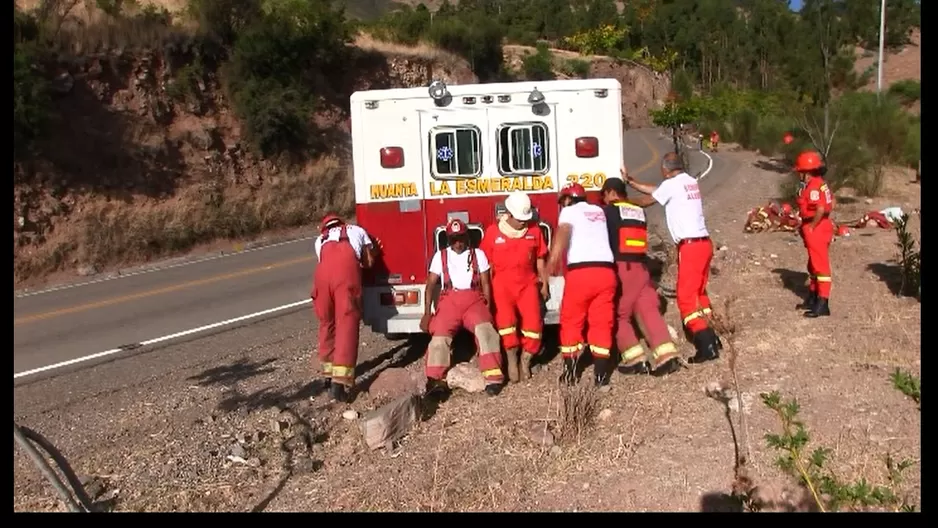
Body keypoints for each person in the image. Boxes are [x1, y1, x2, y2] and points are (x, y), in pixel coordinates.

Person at [624, 153, 721, 364]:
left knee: (686, 298)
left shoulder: (672, 185)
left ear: (666, 170)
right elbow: (657, 190)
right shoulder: (688, 181)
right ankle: (713, 335)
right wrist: (632, 182)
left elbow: (647, 200)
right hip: (704, 244)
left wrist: (622, 201)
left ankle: (706, 344)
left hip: (690, 247)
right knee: (699, 294)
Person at [600, 173, 681, 376]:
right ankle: (667, 357)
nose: (604, 200)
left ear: (610, 192)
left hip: (622, 269)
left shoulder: (609, 212)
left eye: (604, 195)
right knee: (649, 312)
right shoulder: (638, 212)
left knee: (618, 314)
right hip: (641, 269)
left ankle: (635, 360)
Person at [421, 219, 504, 397]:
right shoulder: (440, 256)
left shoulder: (478, 254)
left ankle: (493, 378)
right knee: (439, 337)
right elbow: (430, 285)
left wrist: (488, 306)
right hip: (450, 300)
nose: (457, 243)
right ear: (448, 240)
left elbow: (486, 283)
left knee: (486, 331)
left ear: (467, 237)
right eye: (453, 239)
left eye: (460, 238)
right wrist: (427, 313)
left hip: (473, 299)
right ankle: (436, 381)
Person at [547, 182, 619, 386]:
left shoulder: (569, 212)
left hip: (582, 273)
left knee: (571, 320)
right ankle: (601, 376)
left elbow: (563, 231)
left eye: (563, 201)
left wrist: (554, 258)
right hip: (606, 272)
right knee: (602, 322)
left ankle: (570, 374)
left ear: (568, 199)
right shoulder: (598, 211)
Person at [480, 191, 550, 384]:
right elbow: (486, 266)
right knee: (506, 323)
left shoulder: (535, 231)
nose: (523, 223)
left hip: (528, 285)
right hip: (502, 286)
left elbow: (540, 260)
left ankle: (526, 359)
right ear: (509, 214)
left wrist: (544, 284)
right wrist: (486, 291)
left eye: (525, 219)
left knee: (534, 324)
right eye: (520, 219)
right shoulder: (493, 233)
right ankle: (511, 359)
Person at [313, 214, 377, 402]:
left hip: (322, 280)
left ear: (324, 227)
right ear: (342, 223)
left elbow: (324, 262)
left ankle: (327, 374)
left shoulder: (320, 240)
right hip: (345, 277)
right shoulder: (356, 231)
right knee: (346, 325)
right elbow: (369, 262)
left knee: (327, 323)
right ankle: (339, 384)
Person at [793, 150, 835, 317]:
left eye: (800, 172)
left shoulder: (814, 187)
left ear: (806, 172)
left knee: (820, 266)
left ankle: (823, 302)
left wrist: (812, 226)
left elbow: (820, 208)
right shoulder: (820, 183)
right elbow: (833, 200)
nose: (799, 175)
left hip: (816, 227)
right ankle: (813, 296)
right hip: (818, 225)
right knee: (813, 265)